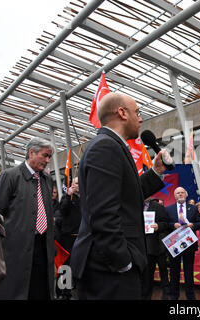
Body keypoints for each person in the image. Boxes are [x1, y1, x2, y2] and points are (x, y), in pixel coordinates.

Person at [70, 92, 167, 300]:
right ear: (122, 113)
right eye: (137, 112)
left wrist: (156, 172)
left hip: (112, 268)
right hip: (109, 271)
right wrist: (123, 262)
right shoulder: (106, 147)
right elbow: (103, 215)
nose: (140, 119)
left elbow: (126, 197)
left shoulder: (112, 146)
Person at [0, 137, 56, 299]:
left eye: (50, 156)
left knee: (41, 289)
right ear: (31, 153)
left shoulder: (47, 180)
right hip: (15, 250)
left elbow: (49, 211)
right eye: (45, 155)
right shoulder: (10, 176)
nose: (48, 160)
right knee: (17, 290)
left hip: (43, 247)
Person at [165, 187, 200, 300]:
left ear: (186, 195)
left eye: (182, 193)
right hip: (174, 244)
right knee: (174, 271)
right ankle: (174, 296)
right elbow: (165, 224)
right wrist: (173, 225)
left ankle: (190, 296)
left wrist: (193, 225)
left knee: (188, 271)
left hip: (189, 243)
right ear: (175, 196)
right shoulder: (168, 209)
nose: (180, 194)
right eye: (178, 193)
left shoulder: (194, 208)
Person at [57, 176, 82, 300]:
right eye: (76, 183)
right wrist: (68, 196)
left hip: (81, 238)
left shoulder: (85, 198)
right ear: (72, 185)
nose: (78, 185)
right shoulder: (67, 197)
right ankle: (64, 293)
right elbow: (62, 210)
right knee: (66, 267)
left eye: (80, 183)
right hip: (68, 238)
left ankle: (79, 290)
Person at [142, 197, 169, 300]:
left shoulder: (158, 207)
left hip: (155, 245)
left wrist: (158, 226)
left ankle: (164, 290)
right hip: (139, 245)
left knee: (159, 268)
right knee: (144, 273)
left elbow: (165, 223)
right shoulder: (134, 205)